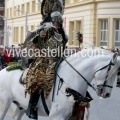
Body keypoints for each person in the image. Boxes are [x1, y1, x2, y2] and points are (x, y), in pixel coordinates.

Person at [25, 11, 68, 119]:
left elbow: (62, 49)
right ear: (52, 20)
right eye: (54, 21)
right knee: (39, 78)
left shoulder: (63, 35)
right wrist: (45, 54)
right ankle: (32, 107)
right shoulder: (46, 31)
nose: (56, 23)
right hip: (44, 60)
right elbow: (36, 44)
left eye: (58, 21)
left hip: (59, 59)